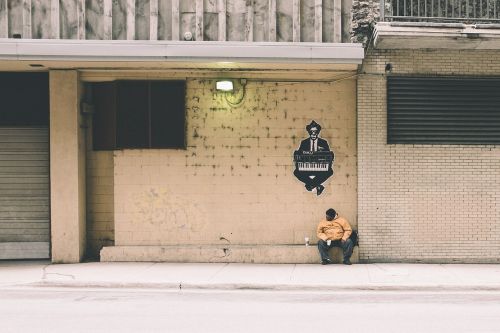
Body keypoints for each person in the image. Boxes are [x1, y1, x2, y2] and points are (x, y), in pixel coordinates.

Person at [293, 120, 334, 196]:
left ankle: (310, 185)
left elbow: (328, 156)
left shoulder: (323, 143)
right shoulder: (304, 142)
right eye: (311, 131)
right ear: (309, 132)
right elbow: (299, 155)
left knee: (330, 171)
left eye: (315, 131)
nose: (313, 133)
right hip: (307, 166)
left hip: (320, 166)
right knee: (296, 172)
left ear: (318, 132)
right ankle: (318, 185)